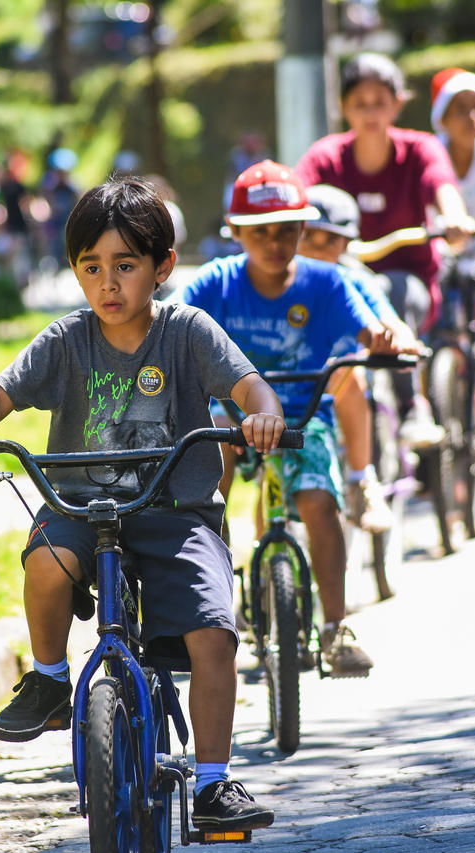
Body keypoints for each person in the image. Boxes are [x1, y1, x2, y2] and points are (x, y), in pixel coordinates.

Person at [0, 176, 288, 831]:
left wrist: (261, 417)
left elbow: (249, 385)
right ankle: (52, 677)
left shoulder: (186, 332)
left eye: (125, 265)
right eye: (92, 267)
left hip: (175, 510)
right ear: (75, 271)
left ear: (162, 267)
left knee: (214, 633)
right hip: (82, 505)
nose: (108, 284)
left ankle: (213, 781)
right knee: (45, 562)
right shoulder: (67, 340)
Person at [171, 159, 409, 678]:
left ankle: (335, 625)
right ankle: (210, 599)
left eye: (287, 230)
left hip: (306, 417)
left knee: (320, 505)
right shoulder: (216, 282)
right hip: (228, 417)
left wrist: (386, 341)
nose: (275, 243)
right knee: (206, 486)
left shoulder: (327, 283)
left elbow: (371, 332)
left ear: (305, 228)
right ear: (234, 232)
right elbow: (167, 319)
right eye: (259, 232)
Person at [295, 52, 475, 447]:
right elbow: (297, 197)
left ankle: (414, 407)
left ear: (398, 103)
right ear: (344, 108)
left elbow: (442, 185)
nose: (370, 112)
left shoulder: (420, 149)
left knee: (394, 292)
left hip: (410, 279)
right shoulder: (326, 156)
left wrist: (455, 218)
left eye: (380, 102)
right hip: (348, 274)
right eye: (360, 103)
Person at [297, 184, 419, 533]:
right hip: (275, 383)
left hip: (332, 380)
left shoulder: (352, 280)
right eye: (310, 238)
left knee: (352, 374)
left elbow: (389, 319)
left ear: (346, 245)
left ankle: (360, 478)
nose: (318, 250)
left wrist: (399, 338)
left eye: (330, 241)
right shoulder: (277, 279)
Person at [430, 67, 475, 304]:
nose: (471, 117)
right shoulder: (429, 156)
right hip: (442, 257)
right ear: (443, 117)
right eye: (460, 109)